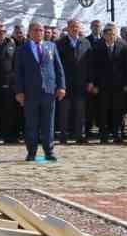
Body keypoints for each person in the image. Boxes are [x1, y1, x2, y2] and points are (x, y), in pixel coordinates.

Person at [14, 20, 65, 162]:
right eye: (36, 30)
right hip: (30, 92)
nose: (39, 33)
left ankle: (49, 151)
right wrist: (19, 91)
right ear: (29, 32)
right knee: (31, 123)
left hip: (48, 90)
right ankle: (32, 152)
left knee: (48, 123)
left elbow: (58, 68)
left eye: (41, 30)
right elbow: (18, 72)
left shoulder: (51, 46)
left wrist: (61, 87)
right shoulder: (22, 49)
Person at [87, 24, 127, 143]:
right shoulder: (96, 47)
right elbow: (92, 67)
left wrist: (126, 83)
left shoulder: (122, 47)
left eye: (113, 34)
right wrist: (93, 84)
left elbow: (126, 67)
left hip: (118, 86)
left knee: (117, 110)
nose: (111, 37)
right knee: (103, 110)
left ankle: (116, 134)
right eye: (108, 35)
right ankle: (103, 135)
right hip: (102, 86)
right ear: (104, 36)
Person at [55, 21, 89, 145]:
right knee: (64, 111)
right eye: (72, 27)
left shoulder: (85, 43)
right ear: (68, 28)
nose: (75, 29)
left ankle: (79, 135)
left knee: (80, 111)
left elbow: (89, 64)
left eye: (77, 27)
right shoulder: (60, 43)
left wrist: (89, 81)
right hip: (65, 83)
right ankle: (63, 136)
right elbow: (57, 64)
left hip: (81, 83)